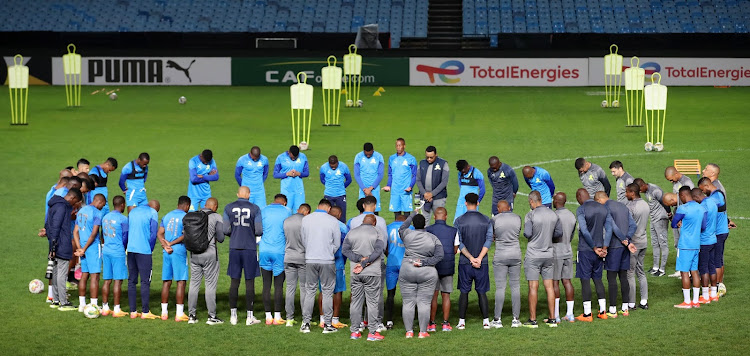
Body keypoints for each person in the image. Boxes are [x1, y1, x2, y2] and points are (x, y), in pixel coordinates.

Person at [398, 212, 444, 339]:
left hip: (408, 269)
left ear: (413, 224)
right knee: (424, 302)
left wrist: (412, 215)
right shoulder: (433, 238)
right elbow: (439, 256)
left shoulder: (407, 234)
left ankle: (409, 331)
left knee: (408, 302)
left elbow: (402, 227)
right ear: (425, 224)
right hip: (427, 271)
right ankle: (423, 332)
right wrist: (425, 262)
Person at [223, 186, 263, 326]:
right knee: (249, 282)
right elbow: (258, 230)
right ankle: (249, 316)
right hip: (249, 248)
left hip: (234, 247)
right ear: (249, 195)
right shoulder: (256, 208)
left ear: (237, 194)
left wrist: (234, 233)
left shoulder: (228, 208)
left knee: (234, 282)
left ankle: (233, 316)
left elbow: (225, 229)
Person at [299, 199, 341, 334]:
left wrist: (311, 251)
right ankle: (328, 324)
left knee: (310, 291)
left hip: (310, 259)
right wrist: (329, 251)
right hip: (327, 260)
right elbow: (337, 242)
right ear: (328, 209)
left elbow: (303, 239)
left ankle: (306, 323)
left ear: (318, 206)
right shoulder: (333, 221)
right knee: (328, 292)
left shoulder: (306, 219)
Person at [574, 189, 616, 322]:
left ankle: (587, 314)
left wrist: (594, 247)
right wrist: (604, 247)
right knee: (598, 279)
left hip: (586, 250)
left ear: (580, 197)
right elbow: (609, 229)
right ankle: (603, 311)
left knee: (585, 280)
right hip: (600, 250)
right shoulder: (603, 208)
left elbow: (584, 231)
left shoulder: (581, 209)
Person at [348, 196, 388, 332]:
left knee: (356, 298)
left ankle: (356, 327)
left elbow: (346, 247)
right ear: (375, 206)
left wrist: (359, 258)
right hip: (375, 264)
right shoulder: (380, 222)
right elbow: (383, 246)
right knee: (375, 297)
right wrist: (368, 260)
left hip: (355, 265)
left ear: (363, 206)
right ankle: (375, 324)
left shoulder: (353, 222)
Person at [343, 215, 386, 341]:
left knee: (355, 302)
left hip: (356, 272)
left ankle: (355, 332)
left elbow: (345, 250)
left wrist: (359, 260)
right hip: (372, 272)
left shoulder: (352, 232)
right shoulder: (377, 232)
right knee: (372, 302)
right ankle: (372, 333)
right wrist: (366, 261)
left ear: (362, 222)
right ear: (374, 222)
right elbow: (379, 251)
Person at [522, 191, 560, 328]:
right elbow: (559, 232)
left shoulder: (530, 215)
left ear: (532, 201)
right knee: (549, 287)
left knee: (533, 286)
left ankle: (532, 320)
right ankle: (552, 318)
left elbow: (527, 233)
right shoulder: (553, 214)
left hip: (533, 255)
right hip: (549, 254)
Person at [454, 193, 493, 330]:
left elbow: (459, 242)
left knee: (464, 292)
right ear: (478, 203)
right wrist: (479, 258)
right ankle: (486, 321)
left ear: (465, 203)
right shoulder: (486, 220)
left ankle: (461, 322)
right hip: (482, 263)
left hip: (465, 263)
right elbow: (489, 240)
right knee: (482, 292)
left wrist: (470, 258)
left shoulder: (459, 221)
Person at [598, 192, 637, 317]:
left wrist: (623, 240)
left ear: (599, 200)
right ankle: (625, 308)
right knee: (623, 276)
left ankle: (613, 309)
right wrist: (627, 239)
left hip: (614, 246)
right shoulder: (623, 206)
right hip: (624, 248)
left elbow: (612, 227)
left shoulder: (605, 208)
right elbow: (633, 225)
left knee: (611, 278)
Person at [188, 197, 225, 325]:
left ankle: (191, 316)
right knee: (210, 285)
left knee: (194, 284)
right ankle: (211, 316)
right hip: (209, 254)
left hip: (194, 253)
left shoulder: (193, 216)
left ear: (205, 205)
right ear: (215, 207)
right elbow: (220, 238)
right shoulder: (216, 216)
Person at [46, 188, 83, 311]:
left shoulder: (54, 204)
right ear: (73, 198)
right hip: (61, 243)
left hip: (55, 243)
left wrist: (52, 243)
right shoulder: (62, 207)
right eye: (76, 202)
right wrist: (55, 243)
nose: (75, 205)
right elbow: (56, 226)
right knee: (61, 273)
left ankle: (56, 300)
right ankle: (63, 302)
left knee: (56, 272)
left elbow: (48, 224)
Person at [671, 186, 707, 308]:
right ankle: (696, 301)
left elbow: (673, 223)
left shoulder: (683, 208)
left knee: (684, 272)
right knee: (695, 271)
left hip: (685, 245)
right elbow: (703, 226)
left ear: (682, 195)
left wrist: (679, 224)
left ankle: (687, 302)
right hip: (696, 244)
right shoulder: (701, 208)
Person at [259, 194, 293, 325]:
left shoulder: (263, 210)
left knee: (266, 284)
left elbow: (259, 229)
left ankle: (268, 317)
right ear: (284, 203)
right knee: (278, 285)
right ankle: (278, 316)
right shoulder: (287, 211)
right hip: (280, 251)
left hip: (264, 250)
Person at [489, 201, 523, 328]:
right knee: (515, 287)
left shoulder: (494, 219)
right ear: (509, 208)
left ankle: (497, 319)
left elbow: (491, 237)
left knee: (500, 288)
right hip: (515, 254)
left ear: (498, 209)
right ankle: (516, 319)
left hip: (501, 255)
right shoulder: (518, 218)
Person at [157, 196, 191, 321]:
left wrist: (165, 244)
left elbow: (160, 233)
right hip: (178, 251)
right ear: (187, 206)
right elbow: (185, 235)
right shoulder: (186, 217)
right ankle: (179, 313)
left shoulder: (166, 216)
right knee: (181, 282)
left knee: (166, 281)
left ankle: (164, 313)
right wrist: (171, 243)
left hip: (166, 252)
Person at [426, 207, 459, 331]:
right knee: (446, 295)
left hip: (432, 266)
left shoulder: (428, 230)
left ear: (434, 217)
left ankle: (432, 323)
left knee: (433, 295)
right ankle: (445, 323)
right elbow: (455, 249)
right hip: (448, 266)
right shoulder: (453, 230)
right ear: (446, 216)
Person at [127, 200, 161, 319]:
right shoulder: (152, 212)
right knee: (145, 281)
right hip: (144, 251)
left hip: (131, 250)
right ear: (155, 208)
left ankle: (133, 311)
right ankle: (145, 312)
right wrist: (150, 248)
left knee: (131, 280)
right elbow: (153, 233)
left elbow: (127, 230)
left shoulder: (132, 211)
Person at [317, 206, 349, 329]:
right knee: (337, 290)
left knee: (323, 289)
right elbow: (345, 246)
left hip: (323, 260)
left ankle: (322, 318)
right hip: (338, 262)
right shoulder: (342, 227)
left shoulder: (323, 225)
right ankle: (335, 319)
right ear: (340, 214)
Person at [73, 194, 106, 311]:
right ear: (99, 202)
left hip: (82, 247)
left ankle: (82, 305)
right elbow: (94, 233)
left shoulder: (81, 210)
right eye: (103, 204)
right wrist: (85, 249)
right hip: (92, 247)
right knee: (95, 276)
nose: (103, 207)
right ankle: (94, 305)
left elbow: (75, 232)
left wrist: (79, 248)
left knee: (84, 275)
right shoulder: (97, 213)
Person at [698, 177, 730, 295]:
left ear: (706, 186)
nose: (702, 192)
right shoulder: (715, 196)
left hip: (719, 232)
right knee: (716, 260)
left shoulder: (716, 196)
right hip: (720, 230)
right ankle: (716, 285)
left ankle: (717, 286)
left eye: (702, 190)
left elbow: (711, 209)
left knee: (717, 260)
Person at [634, 178, 670, 276]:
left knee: (663, 243)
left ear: (642, 186)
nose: (640, 192)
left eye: (640, 190)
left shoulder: (655, 191)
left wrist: (669, 214)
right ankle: (655, 267)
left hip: (660, 219)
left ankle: (662, 269)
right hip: (653, 219)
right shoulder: (646, 190)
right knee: (654, 243)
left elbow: (666, 203)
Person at [283, 203, 312, 326]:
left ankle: (289, 318)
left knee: (290, 288)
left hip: (288, 257)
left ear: (298, 210)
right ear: (306, 212)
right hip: (302, 258)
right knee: (304, 288)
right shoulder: (306, 222)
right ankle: (305, 319)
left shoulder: (287, 221)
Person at [101, 195, 128, 317]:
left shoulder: (105, 217)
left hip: (106, 250)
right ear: (122, 205)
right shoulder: (123, 219)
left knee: (107, 280)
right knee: (118, 281)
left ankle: (105, 307)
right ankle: (117, 309)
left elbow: (102, 234)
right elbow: (125, 236)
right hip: (118, 252)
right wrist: (124, 247)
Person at [664, 166, 695, 277]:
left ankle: (689, 270)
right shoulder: (676, 182)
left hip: (685, 218)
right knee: (678, 243)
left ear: (676, 173)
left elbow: (691, 201)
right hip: (678, 216)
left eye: (671, 179)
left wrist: (683, 218)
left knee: (685, 244)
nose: (671, 181)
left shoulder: (687, 183)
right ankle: (681, 269)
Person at [552, 192, 577, 323]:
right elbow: (572, 235)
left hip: (556, 251)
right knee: (567, 282)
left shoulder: (554, 216)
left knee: (555, 282)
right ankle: (570, 314)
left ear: (556, 201)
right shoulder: (572, 215)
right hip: (568, 250)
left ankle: (555, 315)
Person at [625, 183, 650, 310]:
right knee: (641, 272)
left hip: (633, 243)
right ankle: (644, 301)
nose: (625, 194)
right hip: (644, 241)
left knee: (630, 273)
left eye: (627, 192)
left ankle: (631, 303)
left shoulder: (630, 206)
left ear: (632, 193)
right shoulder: (645, 204)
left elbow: (628, 226)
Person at [384, 215, 411, 329]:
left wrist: (389, 255)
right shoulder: (411, 228)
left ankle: (389, 321)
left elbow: (384, 247)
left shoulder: (387, 228)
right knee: (408, 294)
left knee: (390, 293)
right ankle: (409, 321)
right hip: (406, 264)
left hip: (392, 263)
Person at [384, 138, 417, 219]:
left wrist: (410, 186)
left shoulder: (411, 159)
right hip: (395, 191)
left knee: (406, 215)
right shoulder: (391, 158)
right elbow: (390, 174)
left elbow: (415, 175)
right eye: (397, 146)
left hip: (406, 191)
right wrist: (388, 185)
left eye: (400, 145)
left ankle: (407, 231)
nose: (398, 147)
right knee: (397, 215)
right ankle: (397, 230)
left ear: (404, 146)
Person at [416, 146, 449, 224]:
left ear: (436, 155)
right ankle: (423, 236)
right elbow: (418, 179)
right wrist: (425, 193)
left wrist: (431, 194)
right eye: (427, 157)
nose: (429, 159)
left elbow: (444, 182)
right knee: (423, 221)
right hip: (424, 197)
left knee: (439, 221)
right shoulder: (422, 163)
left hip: (439, 198)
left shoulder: (443, 164)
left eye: (431, 157)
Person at [273, 145, 309, 212]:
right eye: (292, 157)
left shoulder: (303, 157)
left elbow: (307, 173)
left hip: (299, 190)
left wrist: (299, 174)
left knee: (300, 212)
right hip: (286, 190)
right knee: (286, 211)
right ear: (289, 152)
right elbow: (275, 174)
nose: (293, 159)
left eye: (295, 158)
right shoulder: (281, 157)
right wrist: (286, 174)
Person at [354, 142, 385, 214]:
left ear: (373, 150)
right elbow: (357, 175)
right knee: (362, 210)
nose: (368, 156)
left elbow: (380, 175)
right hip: (363, 188)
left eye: (370, 154)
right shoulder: (358, 157)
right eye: (366, 154)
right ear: (363, 151)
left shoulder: (379, 157)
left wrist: (370, 188)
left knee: (375, 210)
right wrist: (364, 189)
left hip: (375, 188)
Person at [320, 155, 352, 223]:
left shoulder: (343, 167)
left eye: (335, 165)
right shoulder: (323, 168)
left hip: (341, 195)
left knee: (342, 216)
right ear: (329, 163)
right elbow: (322, 179)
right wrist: (329, 186)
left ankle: (342, 232)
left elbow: (349, 179)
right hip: (328, 195)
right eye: (331, 166)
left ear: (338, 162)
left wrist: (342, 187)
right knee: (327, 216)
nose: (333, 167)